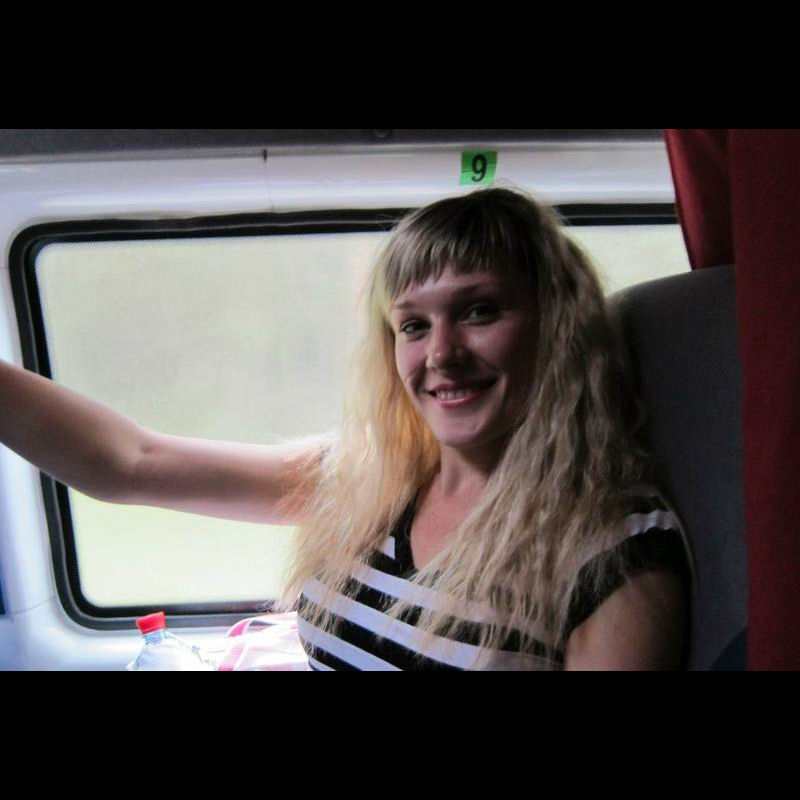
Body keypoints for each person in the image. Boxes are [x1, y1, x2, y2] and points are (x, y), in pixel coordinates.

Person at [0, 187, 689, 670]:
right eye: (413, 325)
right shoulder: (375, 480)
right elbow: (130, 464)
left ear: (558, 328)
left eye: (479, 311)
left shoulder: (614, 549)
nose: (440, 354)